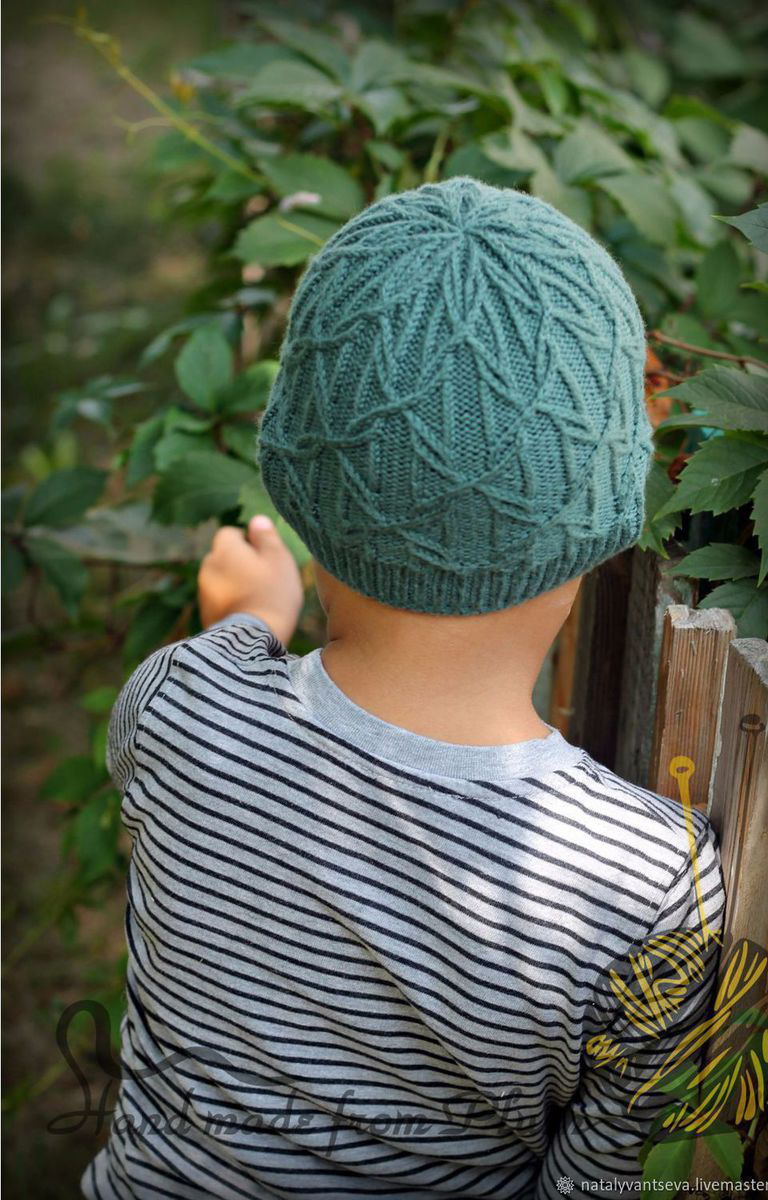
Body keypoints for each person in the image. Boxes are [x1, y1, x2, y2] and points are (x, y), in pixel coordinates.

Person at [82, 178, 725, 1200]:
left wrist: (249, 618)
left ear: (299, 484)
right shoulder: (648, 884)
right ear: (603, 518)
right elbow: (603, 1179)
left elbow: (223, 666)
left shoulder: (181, 709)